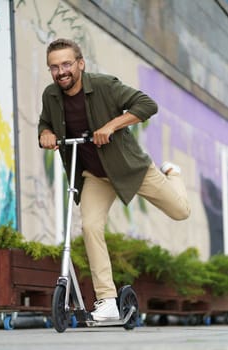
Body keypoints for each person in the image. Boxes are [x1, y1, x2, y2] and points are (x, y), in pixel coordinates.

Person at [38, 38, 190, 321]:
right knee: (91, 226)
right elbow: (46, 122)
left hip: (130, 168)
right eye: (54, 67)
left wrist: (110, 126)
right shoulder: (51, 95)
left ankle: (173, 173)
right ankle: (107, 300)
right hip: (95, 175)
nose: (61, 71)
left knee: (181, 212)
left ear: (80, 64)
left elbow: (147, 104)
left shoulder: (105, 85)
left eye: (67, 64)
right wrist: (45, 133)